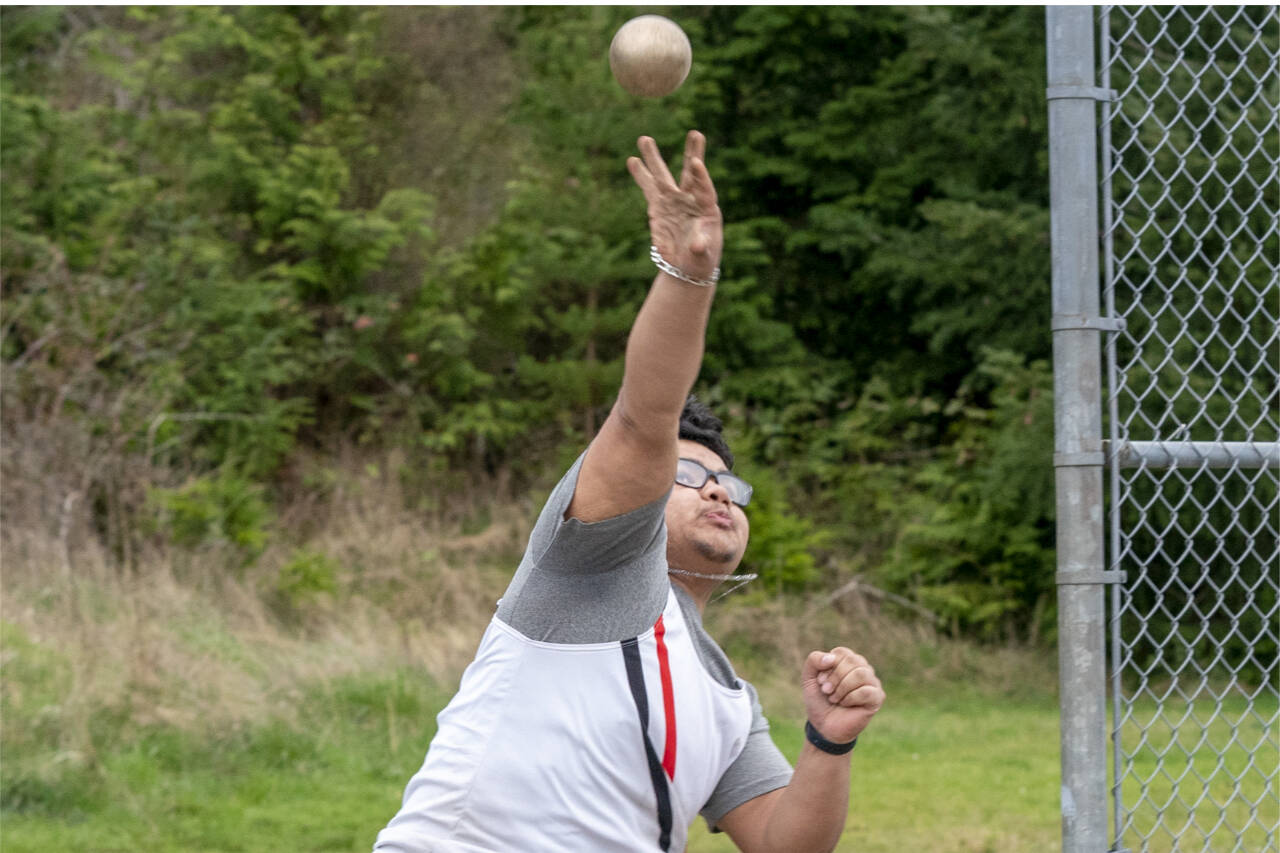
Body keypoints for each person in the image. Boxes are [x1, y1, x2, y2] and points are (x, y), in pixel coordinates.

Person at [374, 131, 884, 853]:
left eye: (726, 482)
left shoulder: (727, 699)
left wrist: (829, 743)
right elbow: (647, 416)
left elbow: (785, 845)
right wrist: (687, 275)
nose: (715, 491)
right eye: (687, 473)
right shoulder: (596, 570)